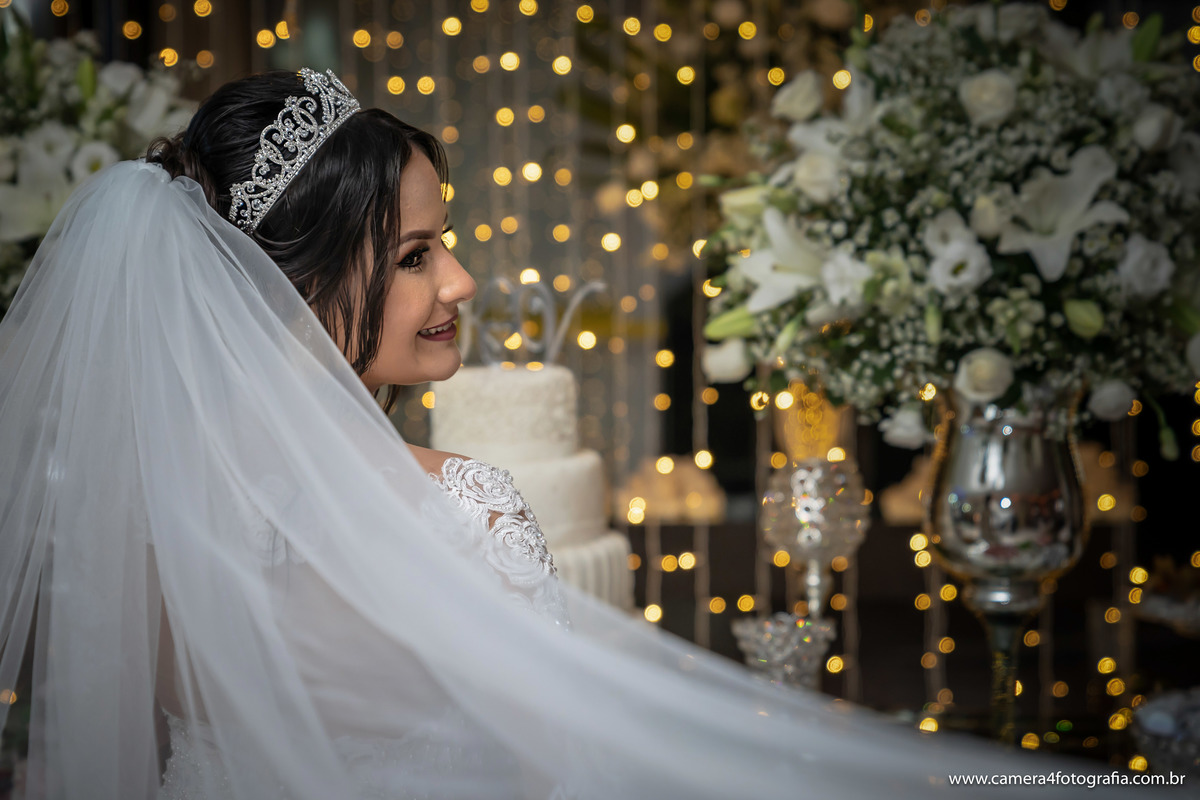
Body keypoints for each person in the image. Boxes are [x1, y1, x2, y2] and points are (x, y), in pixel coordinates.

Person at [0, 68, 1128, 799]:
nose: (461, 277)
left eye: (444, 241)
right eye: (411, 256)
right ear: (288, 288)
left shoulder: (133, 521)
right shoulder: (467, 507)